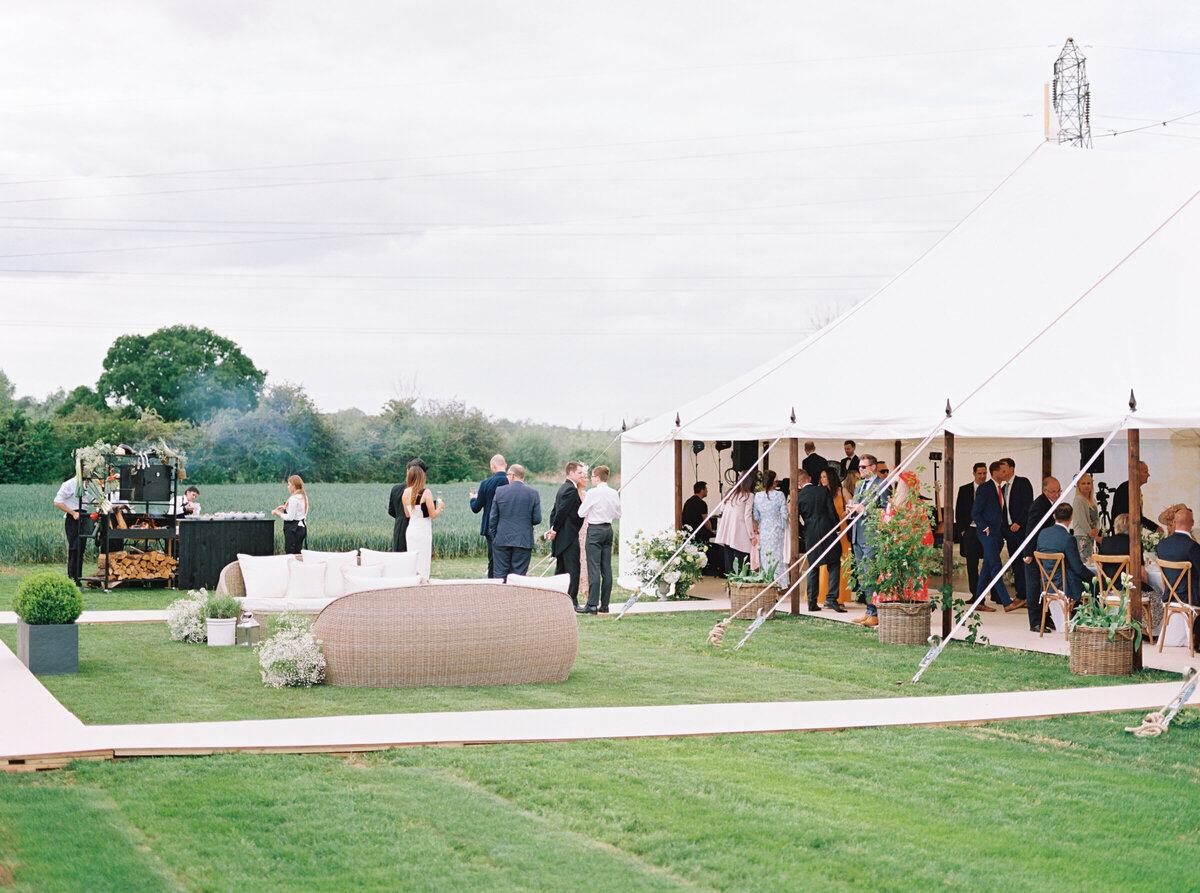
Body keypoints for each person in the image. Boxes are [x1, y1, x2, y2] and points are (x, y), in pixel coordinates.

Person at [1098, 513, 1161, 637]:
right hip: (1128, 590)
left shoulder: (1105, 542)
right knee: (1156, 594)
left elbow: (1100, 568)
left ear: (1116, 528)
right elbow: (1142, 574)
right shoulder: (1135, 544)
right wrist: (1146, 584)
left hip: (1108, 590)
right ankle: (1146, 630)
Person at [971, 460, 1020, 612]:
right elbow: (975, 512)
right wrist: (984, 527)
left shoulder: (1002, 488)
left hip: (997, 534)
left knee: (987, 567)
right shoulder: (985, 488)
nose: (1006, 474)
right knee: (996, 566)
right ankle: (1006, 602)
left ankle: (978, 601)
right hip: (988, 533)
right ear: (996, 473)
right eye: (1003, 471)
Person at [795, 469, 843, 612]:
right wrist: (837, 528)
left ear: (799, 483)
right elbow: (832, 512)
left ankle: (812, 602)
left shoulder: (798, 496)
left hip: (810, 533)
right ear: (809, 479)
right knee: (834, 562)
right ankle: (832, 598)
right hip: (827, 530)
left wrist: (803, 530)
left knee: (813, 567)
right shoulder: (822, 491)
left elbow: (794, 519)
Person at [577, 465, 621, 614]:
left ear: (597, 477)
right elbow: (618, 513)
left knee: (593, 567)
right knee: (606, 568)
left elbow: (581, 512)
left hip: (595, 529)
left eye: (592, 477)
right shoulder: (614, 492)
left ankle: (592, 604)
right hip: (608, 529)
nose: (591, 480)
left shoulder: (592, 493)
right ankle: (605, 604)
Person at [848, 454, 886, 626]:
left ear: (873, 467)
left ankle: (875, 612)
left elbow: (886, 512)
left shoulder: (883, 485)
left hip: (871, 536)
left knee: (870, 573)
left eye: (863, 467)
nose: (860, 471)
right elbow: (857, 506)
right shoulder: (859, 485)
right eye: (859, 467)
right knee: (863, 576)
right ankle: (869, 610)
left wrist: (864, 510)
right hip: (857, 534)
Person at [1022, 476, 1062, 631]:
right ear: (1045, 491)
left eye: (1059, 491)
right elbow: (1031, 529)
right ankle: (1035, 621)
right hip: (1034, 551)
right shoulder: (1039, 505)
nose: (1057, 494)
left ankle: (1046, 617)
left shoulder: (1053, 502)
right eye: (1053, 492)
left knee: (1044, 585)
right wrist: (1028, 552)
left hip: (1045, 551)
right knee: (1033, 586)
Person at [489, 463, 541, 580]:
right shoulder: (533, 493)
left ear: (512, 475)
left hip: (502, 539)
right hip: (523, 540)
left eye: (508, 475)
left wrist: (495, 537)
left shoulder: (500, 491)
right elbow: (537, 519)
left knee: (500, 576)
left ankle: (501, 598)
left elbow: (493, 519)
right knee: (518, 577)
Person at [1036, 503, 1095, 603]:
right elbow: (1078, 569)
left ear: (1054, 516)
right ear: (1071, 517)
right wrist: (1094, 576)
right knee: (1098, 583)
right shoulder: (1068, 539)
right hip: (1065, 586)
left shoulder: (1043, 534)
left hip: (1047, 585)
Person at [548, 460, 587, 605]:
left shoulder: (562, 488)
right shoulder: (570, 489)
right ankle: (572, 600)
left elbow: (554, 512)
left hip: (561, 537)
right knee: (572, 570)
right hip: (569, 537)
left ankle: (557, 599)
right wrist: (555, 529)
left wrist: (553, 528)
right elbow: (562, 512)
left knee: (561, 570)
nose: (582, 475)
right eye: (579, 473)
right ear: (571, 473)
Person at [999, 458, 1033, 607]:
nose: (1002, 472)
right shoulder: (1002, 487)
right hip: (1008, 530)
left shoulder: (1022, 482)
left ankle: (1024, 595)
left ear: (1012, 469)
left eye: (1004, 468)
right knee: (1015, 563)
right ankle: (1021, 593)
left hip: (1021, 529)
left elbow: (1028, 505)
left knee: (1023, 562)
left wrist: (1019, 522)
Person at [401, 463, 443, 580]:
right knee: (423, 559)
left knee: (413, 560)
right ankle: (424, 581)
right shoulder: (426, 492)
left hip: (411, 530)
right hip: (423, 530)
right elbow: (433, 515)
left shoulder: (405, 493)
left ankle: (413, 581)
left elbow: (407, 514)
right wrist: (440, 507)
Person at [470, 454, 510, 577]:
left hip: (490, 527)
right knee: (506, 560)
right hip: (508, 527)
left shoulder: (485, 484)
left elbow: (476, 508)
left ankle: (492, 583)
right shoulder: (511, 481)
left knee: (492, 559)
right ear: (506, 466)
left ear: (493, 466)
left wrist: (472, 499)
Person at [818, 467, 852, 605]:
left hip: (842, 531)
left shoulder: (842, 490)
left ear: (831, 477)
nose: (822, 479)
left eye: (824, 476)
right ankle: (825, 596)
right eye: (821, 477)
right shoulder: (820, 492)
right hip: (827, 531)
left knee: (843, 564)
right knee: (825, 565)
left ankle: (840, 598)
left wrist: (847, 512)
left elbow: (852, 505)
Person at [714, 470, 756, 576]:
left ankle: (731, 587)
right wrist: (752, 536)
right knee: (742, 564)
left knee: (730, 563)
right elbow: (747, 517)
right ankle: (740, 590)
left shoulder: (731, 492)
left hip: (727, 532)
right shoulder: (749, 496)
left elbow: (722, 509)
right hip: (740, 533)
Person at [954, 463, 987, 598]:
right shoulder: (964, 489)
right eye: (979, 473)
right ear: (974, 474)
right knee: (972, 565)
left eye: (984, 473)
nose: (982, 476)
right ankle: (976, 594)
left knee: (990, 563)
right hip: (970, 531)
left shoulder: (991, 489)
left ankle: (994, 594)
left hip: (986, 531)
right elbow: (959, 510)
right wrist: (963, 531)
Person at [1156, 506, 1200, 607]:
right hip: (1189, 599)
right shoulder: (1192, 546)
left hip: (1169, 598)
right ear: (1192, 523)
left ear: (1174, 523)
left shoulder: (1162, 545)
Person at [752, 470, 789, 588]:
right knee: (778, 557)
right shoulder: (780, 495)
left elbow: (755, 516)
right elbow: (785, 514)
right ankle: (779, 584)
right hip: (777, 530)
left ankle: (767, 583)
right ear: (774, 482)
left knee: (765, 557)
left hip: (764, 530)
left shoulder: (757, 496)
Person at [1112, 461, 1164, 535]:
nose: (1148, 475)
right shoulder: (1126, 489)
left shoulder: (1134, 489)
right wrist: (1155, 528)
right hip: (1124, 535)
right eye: (1145, 472)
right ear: (1136, 474)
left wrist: (1155, 527)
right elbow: (1133, 516)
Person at [53, 473, 87, 584]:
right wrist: (73, 513)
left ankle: (78, 578)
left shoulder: (88, 484)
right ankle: (72, 579)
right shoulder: (70, 484)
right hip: (73, 518)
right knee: (75, 548)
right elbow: (57, 502)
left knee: (81, 549)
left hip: (84, 517)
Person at [389, 457, 428, 552]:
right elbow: (426, 513)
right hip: (416, 530)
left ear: (407, 471)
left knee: (400, 561)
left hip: (399, 529)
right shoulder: (422, 492)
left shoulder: (395, 489)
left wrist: (400, 517)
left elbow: (391, 511)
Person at [682, 480, 720, 577]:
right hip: (700, 533)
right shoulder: (702, 503)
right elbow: (705, 520)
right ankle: (708, 568)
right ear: (702, 490)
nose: (707, 491)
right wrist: (711, 530)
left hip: (690, 533)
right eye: (706, 489)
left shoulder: (688, 502)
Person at [272, 474, 309, 555]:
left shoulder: (293, 499)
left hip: (293, 530)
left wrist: (278, 513)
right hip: (302, 528)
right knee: (298, 552)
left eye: (289, 484)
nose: (287, 487)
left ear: (294, 486)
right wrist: (285, 507)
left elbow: (290, 517)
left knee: (290, 554)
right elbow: (300, 511)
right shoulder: (303, 496)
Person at [1071, 473, 1101, 562]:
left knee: (1091, 561)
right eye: (1083, 483)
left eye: (1088, 483)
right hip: (1082, 536)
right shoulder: (1078, 500)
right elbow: (1082, 520)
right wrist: (1091, 532)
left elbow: (1097, 518)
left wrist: (1097, 529)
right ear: (1078, 486)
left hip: (1091, 536)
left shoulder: (1092, 500)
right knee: (1085, 562)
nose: (1086, 486)